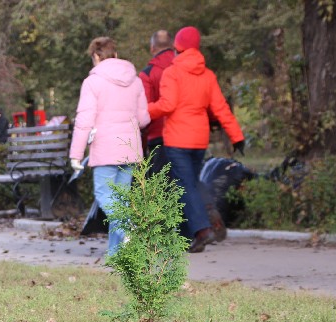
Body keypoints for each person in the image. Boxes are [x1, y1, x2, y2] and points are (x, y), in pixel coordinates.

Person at [147, 27, 245, 253]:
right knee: (191, 181)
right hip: (199, 139)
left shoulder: (172, 73)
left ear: (178, 46)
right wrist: (237, 137)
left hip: (177, 139)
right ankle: (203, 220)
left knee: (184, 185)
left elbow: (167, 105)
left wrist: (144, 110)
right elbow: (220, 108)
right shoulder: (207, 75)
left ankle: (202, 230)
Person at [69, 37, 150, 256]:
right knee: (120, 198)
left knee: (105, 194)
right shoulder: (135, 80)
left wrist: (75, 155)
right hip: (129, 149)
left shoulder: (93, 82)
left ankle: (127, 227)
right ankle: (117, 254)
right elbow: (144, 118)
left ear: (96, 56)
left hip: (105, 148)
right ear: (115, 54)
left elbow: (84, 120)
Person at [139, 30, 174, 178]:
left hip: (159, 138)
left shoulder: (148, 73)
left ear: (152, 48)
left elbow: (144, 112)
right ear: (172, 45)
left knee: (162, 190)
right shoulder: (184, 69)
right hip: (186, 138)